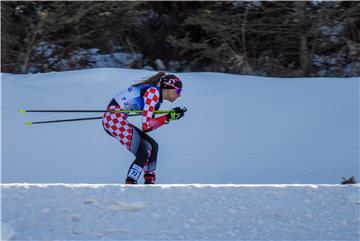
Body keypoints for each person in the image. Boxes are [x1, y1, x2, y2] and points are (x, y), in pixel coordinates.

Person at [102, 72, 186, 184]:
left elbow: (151, 125)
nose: (179, 95)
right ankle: (130, 183)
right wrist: (167, 116)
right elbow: (146, 126)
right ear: (168, 87)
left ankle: (149, 179)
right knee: (143, 153)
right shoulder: (153, 93)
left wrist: (168, 117)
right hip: (113, 119)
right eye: (178, 91)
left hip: (116, 118)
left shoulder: (156, 99)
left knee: (153, 146)